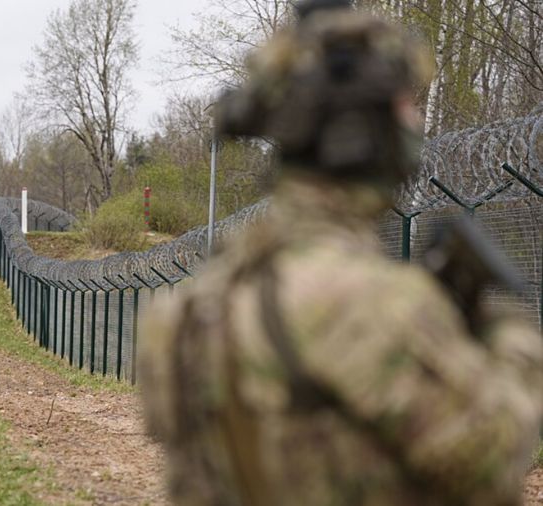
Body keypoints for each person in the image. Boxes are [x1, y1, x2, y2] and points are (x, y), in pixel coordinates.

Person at [139, 2, 543, 505]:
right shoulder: (367, 302)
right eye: (403, 105)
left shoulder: (196, 303)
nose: (415, 120)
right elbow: (492, 467)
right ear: (357, 132)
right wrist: (503, 333)